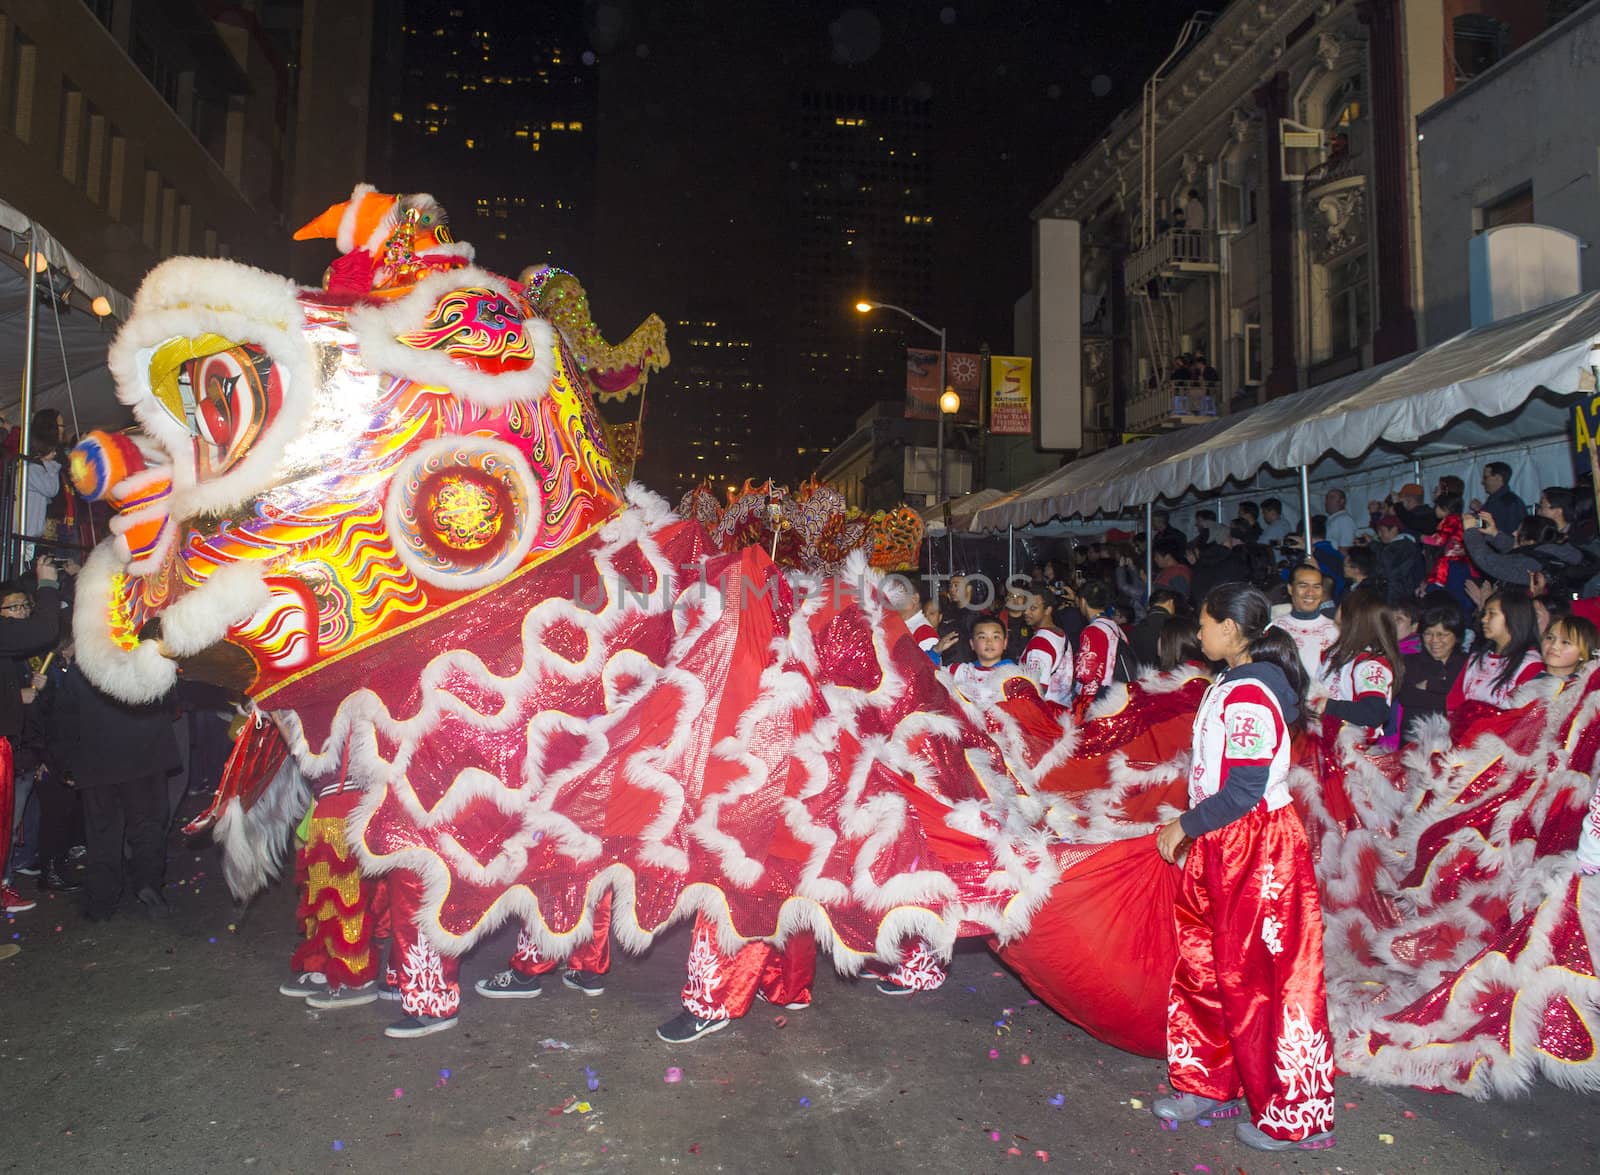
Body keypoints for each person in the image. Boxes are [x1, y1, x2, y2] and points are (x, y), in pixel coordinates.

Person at [1153, 583, 1335, 1151]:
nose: (1199, 633)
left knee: (1260, 977)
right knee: (1206, 961)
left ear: (1230, 629)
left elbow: (1247, 789)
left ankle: (1291, 1108)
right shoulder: (1230, 682)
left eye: (1204, 624)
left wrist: (1184, 825)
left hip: (1255, 847)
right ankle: (1209, 1079)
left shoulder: (1251, 692)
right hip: (1224, 841)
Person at [43, 637, 180, 921]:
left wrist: (66, 765)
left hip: (96, 762)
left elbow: (65, 717)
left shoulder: (84, 668)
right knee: (147, 827)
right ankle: (148, 885)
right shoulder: (148, 661)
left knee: (102, 832)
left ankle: (101, 902)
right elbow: (170, 699)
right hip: (144, 758)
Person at [0, 558, 63, 917]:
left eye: (25, 606)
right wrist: (49, 585)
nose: (21, 613)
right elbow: (44, 630)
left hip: (22, 750)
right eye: (14, 607)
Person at [1307, 588, 1400, 741]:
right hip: (1325, 740)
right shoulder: (1337, 652)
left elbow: (1375, 712)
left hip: (1351, 747)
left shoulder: (1369, 664)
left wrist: (1329, 706)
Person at [1446, 587, 1543, 712]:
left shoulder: (1531, 665)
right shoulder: (1476, 660)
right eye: (1484, 614)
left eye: (1492, 613)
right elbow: (1454, 703)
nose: (1484, 619)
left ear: (1513, 617)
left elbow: (1524, 717)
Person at [1398, 601, 1468, 739]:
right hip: (1413, 745)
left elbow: (1465, 704)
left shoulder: (1468, 664)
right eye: (1428, 634)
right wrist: (1447, 694)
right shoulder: (1410, 662)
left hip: (1455, 745)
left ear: (1457, 636)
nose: (1434, 640)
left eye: (1442, 634)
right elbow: (1407, 697)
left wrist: (1430, 685)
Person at [1270, 564, 1340, 684]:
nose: (1310, 593)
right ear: (1290, 589)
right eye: (1303, 586)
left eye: (1316, 587)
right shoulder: (1274, 629)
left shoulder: (1336, 631)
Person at [1071, 581, 1127, 717]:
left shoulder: (1092, 630)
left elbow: (1085, 673)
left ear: (1083, 601)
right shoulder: (1115, 627)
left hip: (1093, 701)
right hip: (1113, 696)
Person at [947, 617, 1018, 711]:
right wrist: (936, 652)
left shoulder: (1016, 676)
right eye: (982, 637)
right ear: (972, 644)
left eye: (996, 637)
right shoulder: (959, 671)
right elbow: (928, 678)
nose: (989, 642)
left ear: (1005, 643)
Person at [1020, 589, 1073, 704]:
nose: (1026, 612)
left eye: (1033, 608)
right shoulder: (1059, 633)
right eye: (1025, 607)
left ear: (1048, 610)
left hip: (1045, 713)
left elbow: (1036, 689)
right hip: (1061, 710)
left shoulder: (1040, 642)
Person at [1373, 514, 1426, 603]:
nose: (1379, 535)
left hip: (1401, 598)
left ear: (1394, 529)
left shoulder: (1403, 546)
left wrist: (1373, 545)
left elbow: (1388, 567)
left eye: (1382, 531)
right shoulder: (1403, 545)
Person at [1536, 614, 1598, 687]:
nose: (1554, 646)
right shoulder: (1529, 681)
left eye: (1565, 642)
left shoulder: (1581, 690)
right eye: (1550, 637)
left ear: (1583, 654)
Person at [1130, 588, 1182, 669]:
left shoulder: (1137, 627)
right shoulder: (1174, 625)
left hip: (1142, 675)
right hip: (1169, 676)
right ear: (1170, 602)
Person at [1472, 461, 1526, 536]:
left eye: (1485, 477)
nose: (1482, 482)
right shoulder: (1495, 501)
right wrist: (1479, 511)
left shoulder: (1509, 502)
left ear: (1498, 478)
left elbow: (1512, 534)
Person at [1151, 534, 1192, 599]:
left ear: (1167, 557)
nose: (1155, 559)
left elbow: (1181, 599)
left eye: (1157, 556)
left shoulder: (1178, 573)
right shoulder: (1167, 571)